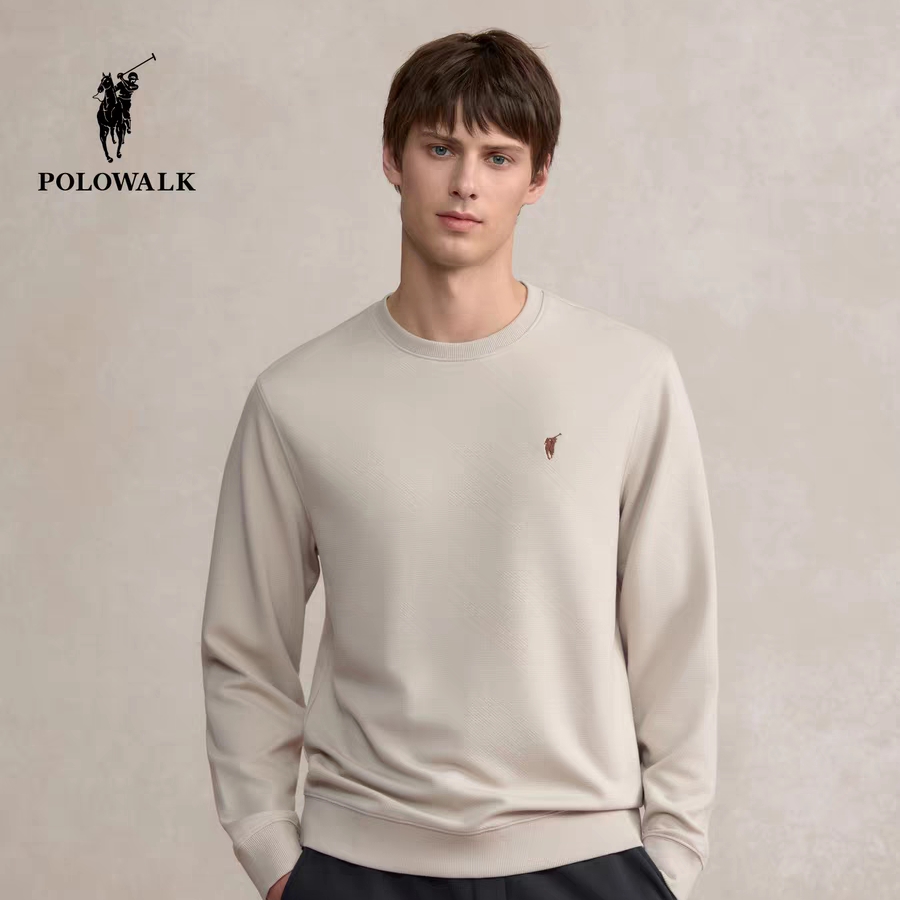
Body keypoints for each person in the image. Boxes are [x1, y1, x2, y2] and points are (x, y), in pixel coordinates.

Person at [200, 28, 718, 900]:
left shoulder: (629, 377)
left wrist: (671, 856)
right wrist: (270, 851)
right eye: (439, 147)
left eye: (498, 156)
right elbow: (245, 646)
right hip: (359, 864)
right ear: (392, 160)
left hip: (590, 862)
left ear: (537, 177)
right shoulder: (298, 396)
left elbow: (676, 629)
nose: (466, 183)